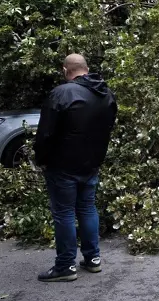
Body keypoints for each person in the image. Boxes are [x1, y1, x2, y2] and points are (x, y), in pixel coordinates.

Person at [33, 54, 117, 282]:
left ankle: (65, 266)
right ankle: (93, 259)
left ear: (65, 70)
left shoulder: (61, 93)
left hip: (63, 165)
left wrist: (41, 158)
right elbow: (108, 127)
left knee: (64, 213)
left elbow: (46, 133)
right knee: (88, 208)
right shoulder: (105, 93)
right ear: (86, 69)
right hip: (90, 163)